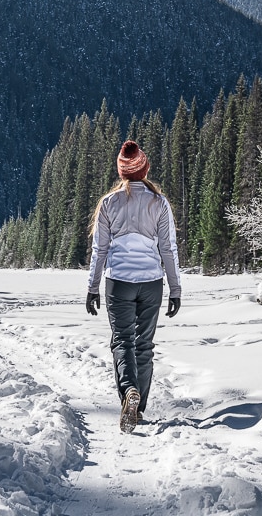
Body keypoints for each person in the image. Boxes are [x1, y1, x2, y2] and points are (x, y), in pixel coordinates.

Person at [85, 140, 182, 433]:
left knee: (123, 341)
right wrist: (175, 289)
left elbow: (99, 250)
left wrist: (92, 287)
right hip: (151, 283)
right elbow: (168, 249)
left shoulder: (109, 203)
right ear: (144, 169)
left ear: (122, 172)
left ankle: (129, 391)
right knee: (144, 345)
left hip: (119, 283)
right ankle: (137, 408)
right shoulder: (159, 202)